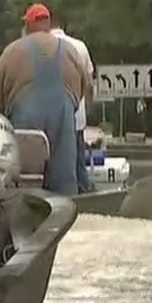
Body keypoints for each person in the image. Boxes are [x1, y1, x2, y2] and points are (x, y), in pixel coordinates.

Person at [0, 3, 90, 196]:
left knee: (25, 181)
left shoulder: (13, 50)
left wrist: (5, 113)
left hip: (25, 117)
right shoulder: (69, 50)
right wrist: (70, 106)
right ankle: (67, 217)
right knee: (64, 180)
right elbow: (84, 83)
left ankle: (29, 213)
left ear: (29, 25)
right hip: (62, 117)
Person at [49, 18, 96, 193]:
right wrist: (86, 106)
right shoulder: (80, 46)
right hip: (77, 115)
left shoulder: (42, 47)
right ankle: (83, 197)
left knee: (53, 161)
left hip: (50, 118)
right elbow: (89, 82)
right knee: (77, 160)